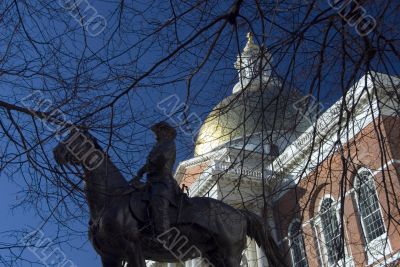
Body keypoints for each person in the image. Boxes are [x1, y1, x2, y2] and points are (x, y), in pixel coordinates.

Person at [131, 121, 180, 237]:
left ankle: (164, 235)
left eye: (159, 131)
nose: (156, 134)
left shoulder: (169, 144)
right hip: (152, 181)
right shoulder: (157, 146)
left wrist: (144, 169)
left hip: (163, 180)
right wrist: (139, 173)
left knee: (158, 202)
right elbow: (151, 161)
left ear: (166, 132)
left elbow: (161, 159)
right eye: (156, 132)